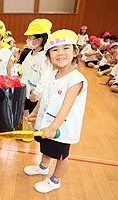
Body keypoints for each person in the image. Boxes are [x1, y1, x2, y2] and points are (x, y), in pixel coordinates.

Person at [24, 29, 87, 193]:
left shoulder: (75, 79)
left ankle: (55, 180)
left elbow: (66, 107)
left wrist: (53, 128)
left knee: (61, 156)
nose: (60, 53)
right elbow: (44, 98)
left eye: (66, 48)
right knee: (46, 148)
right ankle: (43, 167)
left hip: (61, 128)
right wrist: (34, 113)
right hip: (47, 123)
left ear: (75, 52)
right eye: (55, 49)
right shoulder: (53, 74)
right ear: (48, 55)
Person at [20, 18, 53, 138]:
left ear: (39, 40)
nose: (27, 40)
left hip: (35, 94)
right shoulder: (30, 53)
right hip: (26, 90)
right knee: (24, 111)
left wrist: (37, 92)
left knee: (34, 114)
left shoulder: (44, 57)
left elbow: (45, 77)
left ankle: (31, 133)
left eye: (30, 38)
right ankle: (24, 129)